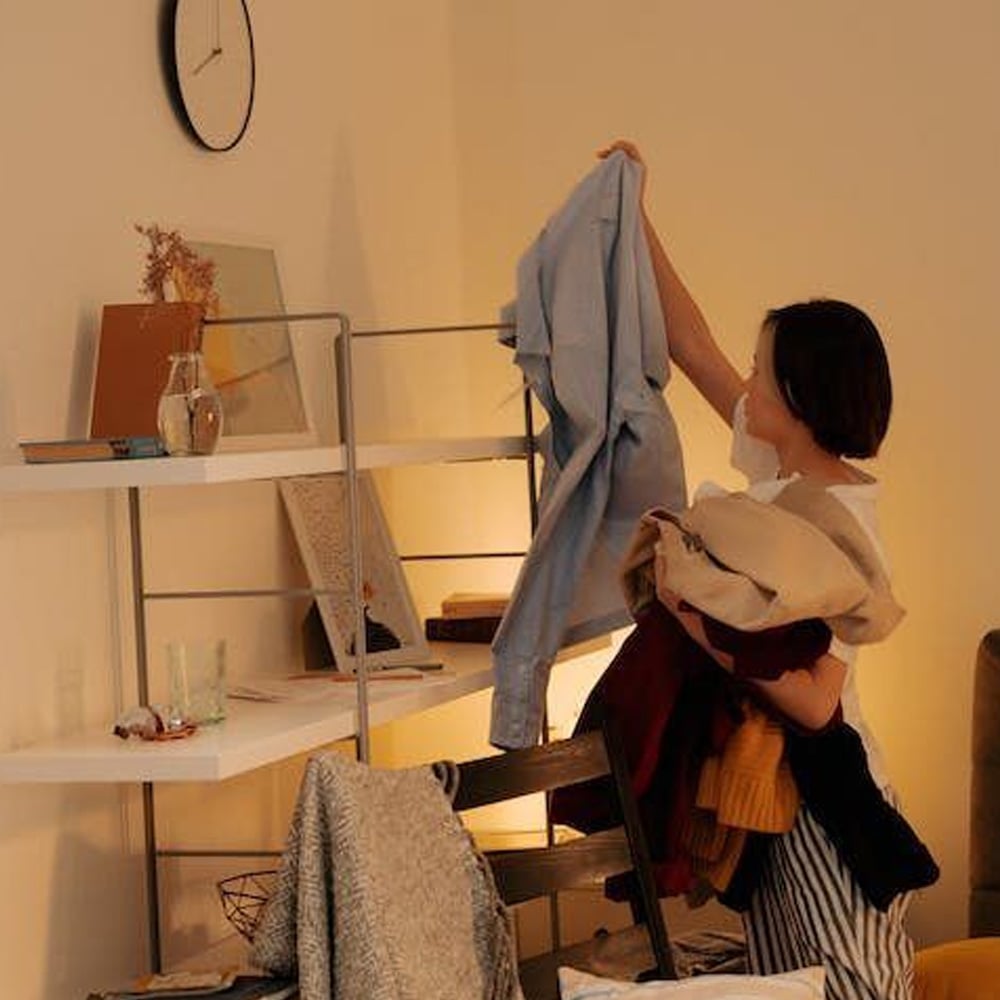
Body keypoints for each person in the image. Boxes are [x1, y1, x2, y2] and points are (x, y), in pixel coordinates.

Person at [598, 141, 913, 999]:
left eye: (763, 372)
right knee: (783, 984)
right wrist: (635, 210)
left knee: (850, 986)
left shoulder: (844, 523)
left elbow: (814, 699)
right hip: (765, 788)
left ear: (802, 403)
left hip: (826, 801)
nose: (745, 381)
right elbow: (692, 344)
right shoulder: (780, 478)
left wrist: (699, 621)